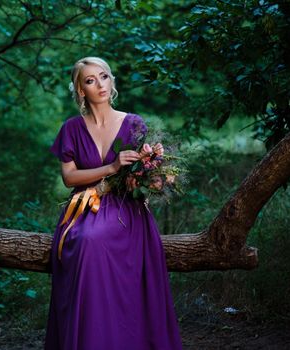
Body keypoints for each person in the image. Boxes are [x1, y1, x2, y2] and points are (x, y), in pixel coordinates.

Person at [44, 57, 183, 349]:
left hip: (124, 209)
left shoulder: (133, 124)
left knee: (94, 241)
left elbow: (150, 179)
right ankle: (91, 337)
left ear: (112, 81)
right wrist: (111, 167)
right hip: (84, 206)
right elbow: (69, 178)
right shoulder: (71, 128)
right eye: (90, 80)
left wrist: (148, 172)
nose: (100, 84)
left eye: (104, 76)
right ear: (81, 90)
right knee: (84, 239)